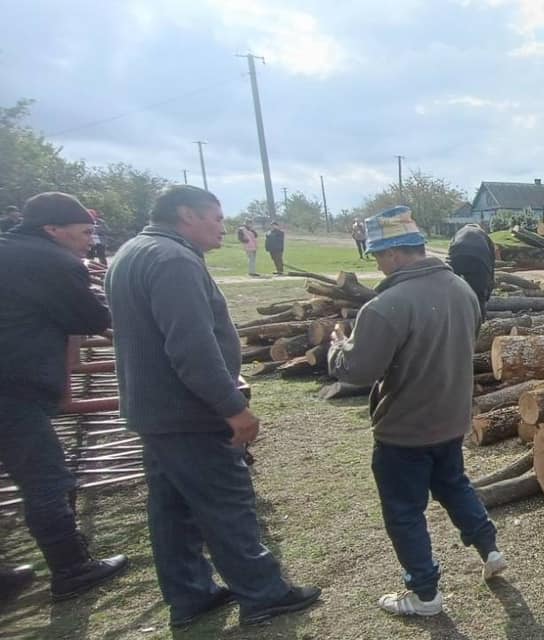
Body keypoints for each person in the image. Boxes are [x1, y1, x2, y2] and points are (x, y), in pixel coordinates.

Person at [105, 185, 320, 628]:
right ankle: (263, 593)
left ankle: (190, 594)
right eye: (217, 218)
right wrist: (231, 406)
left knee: (172, 507)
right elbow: (191, 347)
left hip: (157, 409)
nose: (225, 227)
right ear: (187, 214)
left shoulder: (132, 251)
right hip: (188, 411)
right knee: (227, 502)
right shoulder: (173, 260)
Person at [328, 206, 504, 617]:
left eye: (376, 257)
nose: (378, 266)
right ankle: (490, 550)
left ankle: (424, 595)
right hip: (451, 418)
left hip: (405, 430)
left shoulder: (387, 305)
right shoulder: (462, 290)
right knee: (454, 486)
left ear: (391, 254)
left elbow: (358, 371)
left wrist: (338, 345)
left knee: (404, 512)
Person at [0, 192, 130, 601]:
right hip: (13, 387)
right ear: (52, 229)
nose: (89, 239)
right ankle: (73, 569)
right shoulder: (52, 261)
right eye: (84, 231)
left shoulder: (9, 249)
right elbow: (91, 318)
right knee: (46, 479)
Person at [447, 223, 497, 305]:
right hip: (479, 260)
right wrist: (487, 291)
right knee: (479, 296)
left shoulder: (458, 233)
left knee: (453, 290)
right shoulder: (485, 236)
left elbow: (449, 253)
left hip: (457, 257)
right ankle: (480, 313)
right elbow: (491, 265)